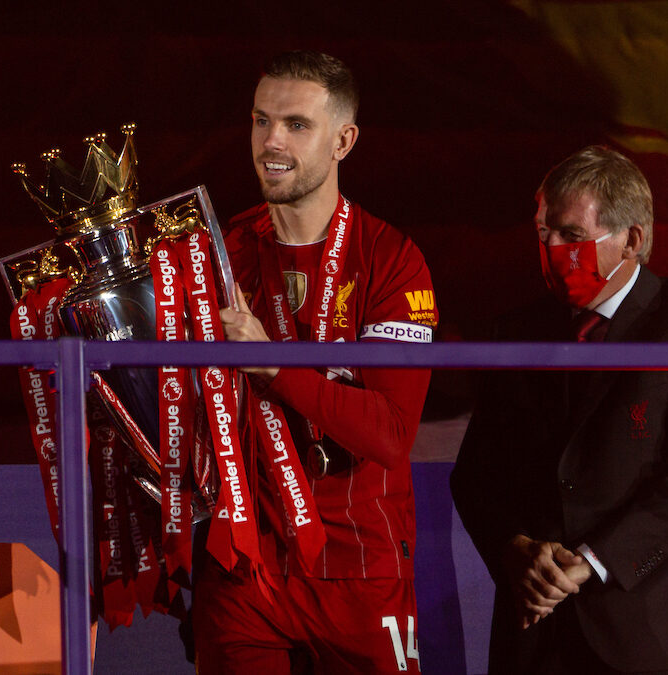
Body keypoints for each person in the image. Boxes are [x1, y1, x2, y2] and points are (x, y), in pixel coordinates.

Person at [191, 50, 438, 674]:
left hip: (357, 562)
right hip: (246, 562)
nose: (271, 141)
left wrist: (272, 365)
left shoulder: (391, 258)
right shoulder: (218, 255)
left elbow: (389, 433)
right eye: (260, 120)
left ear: (343, 140)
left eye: (296, 124)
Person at [451, 146, 668, 674]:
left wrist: (589, 563)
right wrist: (513, 549)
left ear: (631, 239)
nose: (552, 250)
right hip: (536, 633)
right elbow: (476, 475)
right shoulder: (515, 332)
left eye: (571, 236)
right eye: (543, 235)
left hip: (654, 629)